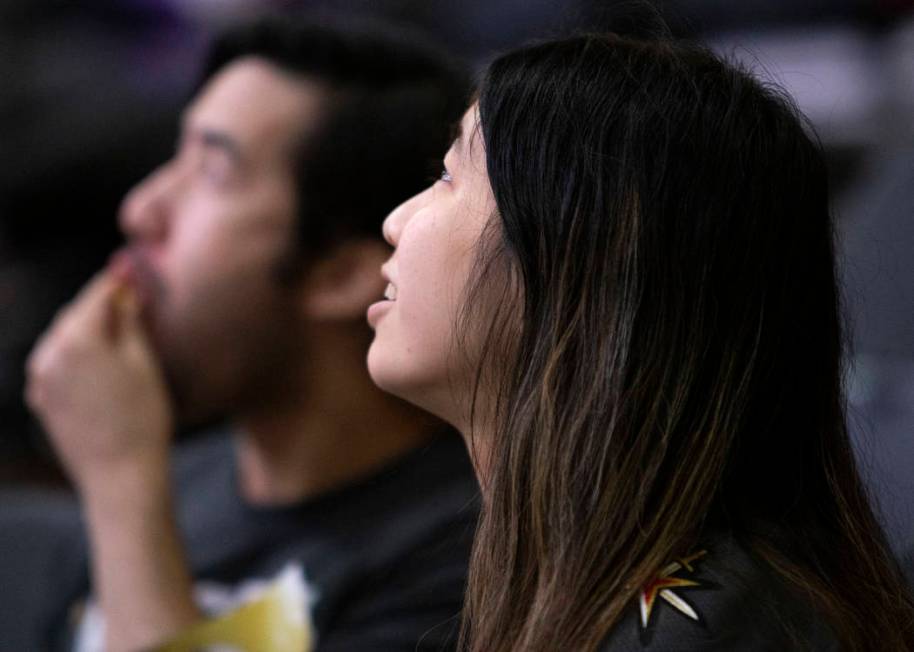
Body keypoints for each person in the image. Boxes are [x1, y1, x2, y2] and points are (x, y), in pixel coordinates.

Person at [366, 32, 914, 651]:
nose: (394, 221)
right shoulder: (616, 588)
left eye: (447, 174)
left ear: (582, 256)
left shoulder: (707, 631)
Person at [21, 18, 476, 652]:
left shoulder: (465, 564)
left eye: (211, 170)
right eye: (173, 157)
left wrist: (121, 490)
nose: (142, 208)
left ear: (342, 272)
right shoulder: (173, 479)